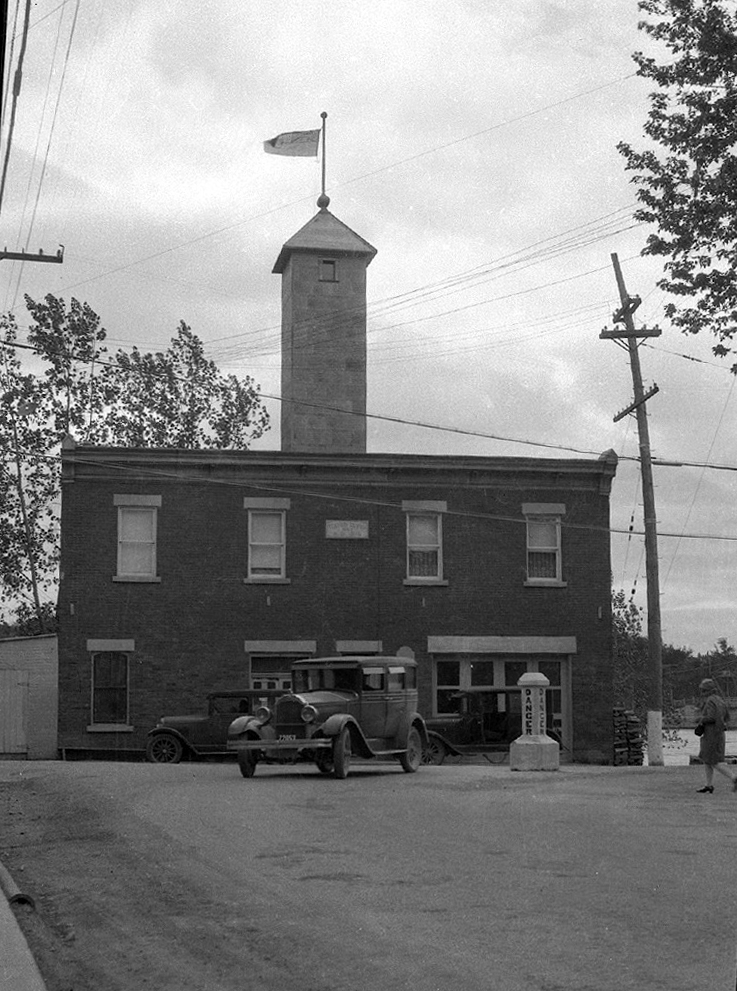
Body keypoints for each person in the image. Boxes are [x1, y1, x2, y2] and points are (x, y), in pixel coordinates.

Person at [695, 678, 737, 793]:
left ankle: (734, 778)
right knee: (707, 759)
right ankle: (708, 785)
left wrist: (701, 719)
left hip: (711, 734)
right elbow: (727, 717)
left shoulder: (710, 701)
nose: (702, 692)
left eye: (703, 690)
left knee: (714, 761)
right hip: (719, 733)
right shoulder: (720, 700)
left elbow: (712, 717)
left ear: (706, 690)